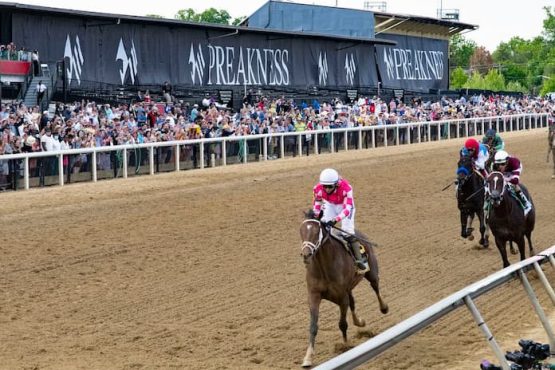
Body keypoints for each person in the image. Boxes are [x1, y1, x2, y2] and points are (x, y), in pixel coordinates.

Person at [312, 168, 369, 274]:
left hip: (345, 206)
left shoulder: (346, 188)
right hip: (330, 205)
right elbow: (317, 204)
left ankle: (360, 260)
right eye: (325, 186)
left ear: (336, 184)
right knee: (324, 229)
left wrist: (334, 220)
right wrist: (316, 217)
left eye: (330, 187)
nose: (327, 189)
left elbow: (347, 209)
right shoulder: (317, 189)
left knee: (347, 232)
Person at [492, 150, 532, 216]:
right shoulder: (494, 166)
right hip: (505, 173)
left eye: (502, 164)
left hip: (513, 170)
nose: (500, 166)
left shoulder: (515, 163)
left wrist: (505, 179)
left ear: (507, 162)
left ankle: (526, 203)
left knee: (514, 185)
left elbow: (515, 180)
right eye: (498, 164)